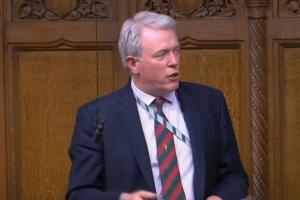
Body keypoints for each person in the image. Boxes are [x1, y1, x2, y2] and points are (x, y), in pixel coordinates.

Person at [66, 11, 248, 200]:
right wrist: (122, 199)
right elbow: (80, 193)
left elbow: (234, 176)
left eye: (176, 51)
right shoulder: (97, 115)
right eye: (162, 55)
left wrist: (219, 198)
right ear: (133, 64)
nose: (174, 62)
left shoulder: (209, 102)